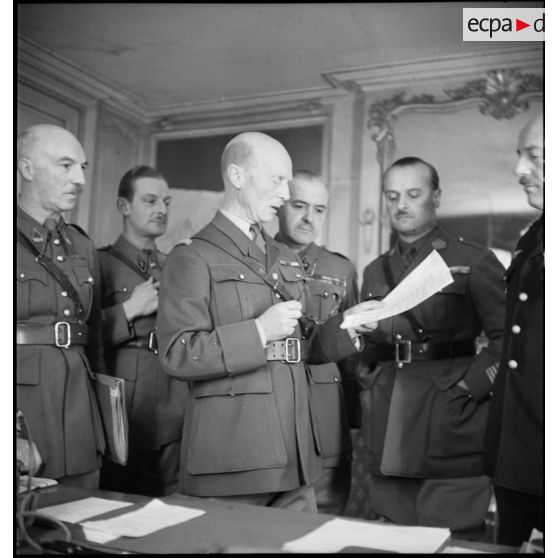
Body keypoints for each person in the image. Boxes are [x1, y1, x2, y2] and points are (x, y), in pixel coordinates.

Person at [156, 131, 381, 512]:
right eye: (276, 179)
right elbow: (178, 354)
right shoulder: (193, 257)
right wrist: (259, 331)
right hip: (234, 459)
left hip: (295, 453)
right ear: (237, 176)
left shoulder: (283, 255)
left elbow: (303, 346)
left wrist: (347, 326)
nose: (284, 191)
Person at [358, 156, 506, 537]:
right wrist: (368, 379)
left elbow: (507, 341)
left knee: (454, 537)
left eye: (412, 194)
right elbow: (370, 350)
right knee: (390, 538)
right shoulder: (375, 270)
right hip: (390, 418)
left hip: (451, 416)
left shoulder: (472, 260)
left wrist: (467, 389)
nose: (401, 205)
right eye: (392, 196)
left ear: (436, 197)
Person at [16, 124, 105, 488]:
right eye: (66, 165)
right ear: (26, 169)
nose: (79, 179)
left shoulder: (82, 246)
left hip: (80, 412)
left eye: (82, 167)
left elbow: (95, 340)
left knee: (87, 519)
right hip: (24, 414)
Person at [97, 166, 187, 496]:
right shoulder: (99, 263)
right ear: (124, 206)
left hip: (174, 400)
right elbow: (84, 336)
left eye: (166, 202)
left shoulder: (178, 265)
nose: (161, 209)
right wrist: (129, 309)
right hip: (125, 406)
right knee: (119, 501)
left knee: (174, 506)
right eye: (150, 201)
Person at [275, 170, 360, 515]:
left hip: (327, 412)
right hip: (273, 408)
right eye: (299, 205)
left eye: (320, 209)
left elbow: (352, 352)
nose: (310, 218)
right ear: (280, 205)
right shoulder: (255, 260)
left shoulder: (340, 268)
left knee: (326, 518)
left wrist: (352, 419)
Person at [484, 113, 544, 546]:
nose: (519, 169)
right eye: (520, 155)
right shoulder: (535, 236)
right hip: (517, 450)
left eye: (534, 156)